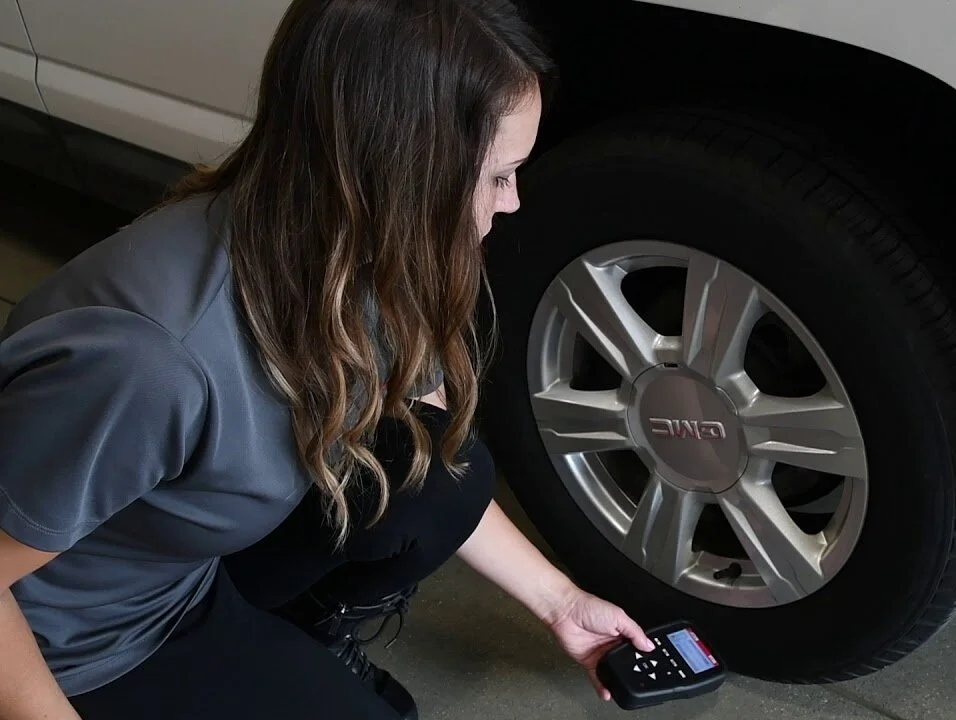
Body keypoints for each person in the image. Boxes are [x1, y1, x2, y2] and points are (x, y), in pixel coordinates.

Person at [0, 1, 657, 718]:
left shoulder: (356, 251)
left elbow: (426, 436)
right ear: (401, 176)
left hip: (186, 566)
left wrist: (561, 601)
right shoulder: (147, 364)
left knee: (436, 471)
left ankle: (295, 642)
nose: (513, 201)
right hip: (83, 642)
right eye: (499, 175)